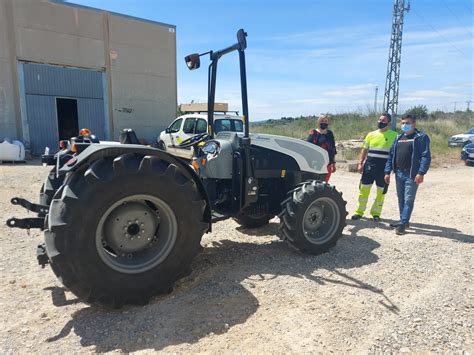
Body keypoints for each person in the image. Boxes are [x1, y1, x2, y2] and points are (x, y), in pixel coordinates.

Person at [384, 114, 431, 235]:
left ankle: (403, 223)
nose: (405, 125)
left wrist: (421, 172)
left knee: (408, 199)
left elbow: (425, 156)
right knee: (401, 198)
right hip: (398, 172)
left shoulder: (421, 137)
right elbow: (390, 156)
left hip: (412, 173)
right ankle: (403, 221)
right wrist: (387, 172)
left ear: (414, 124)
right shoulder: (398, 138)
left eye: (408, 123)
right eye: (403, 123)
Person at [351, 113, 397, 221]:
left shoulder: (394, 135)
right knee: (363, 190)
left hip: (383, 168)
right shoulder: (371, 134)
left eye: (383, 120)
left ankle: (376, 213)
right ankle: (359, 212)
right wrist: (360, 163)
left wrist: (392, 168)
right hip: (369, 167)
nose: (380, 122)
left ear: (388, 123)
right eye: (379, 120)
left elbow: (396, 153)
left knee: (381, 192)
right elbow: (364, 150)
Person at [306, 114, 337, 182]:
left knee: (325, 183)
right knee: (314, 182)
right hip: (315, 164)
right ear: (318, 122)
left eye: (326, 121)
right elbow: (308, 147)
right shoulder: (313, 133)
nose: (324, 122)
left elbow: (333, 148)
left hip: (328, 163)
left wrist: (333, 163)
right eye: (322, 121)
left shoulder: (330, 134)